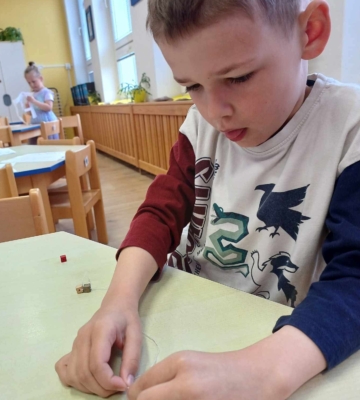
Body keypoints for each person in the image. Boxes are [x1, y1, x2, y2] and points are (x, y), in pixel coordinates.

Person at [55, 0, 360, 398]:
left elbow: (354, 278)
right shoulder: (200, 125)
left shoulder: (348, 128)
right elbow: (159, 213)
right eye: (193, 87)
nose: (216, 112)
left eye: (238, 77)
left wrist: (266, 372)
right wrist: (117, 302)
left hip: (283, 339)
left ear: (310, 32)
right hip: (185, 314)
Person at [24, 62, 59, 139]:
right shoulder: (32, 94)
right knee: (36, 144)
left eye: (34, 81)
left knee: (49, 144)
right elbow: (31, 114)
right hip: (35, 125)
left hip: (48, 124)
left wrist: (34, 101)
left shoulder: (47, 92)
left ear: (41, 79)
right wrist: (28, 107)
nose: (32, 85)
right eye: (29, 83)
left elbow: (49, 107)